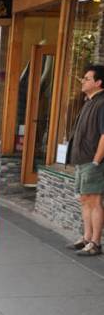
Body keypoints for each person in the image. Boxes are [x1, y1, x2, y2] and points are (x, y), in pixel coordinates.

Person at [65, 63, 104, 256]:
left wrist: (97, 160)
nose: (83, 81)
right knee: (84, 199)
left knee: (94, 201)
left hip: (93, 162)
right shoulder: (89, 101)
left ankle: (96, 242)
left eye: (87, 78)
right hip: (82, 160)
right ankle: (87, 237)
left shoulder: (102, 103)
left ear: (99, 82)